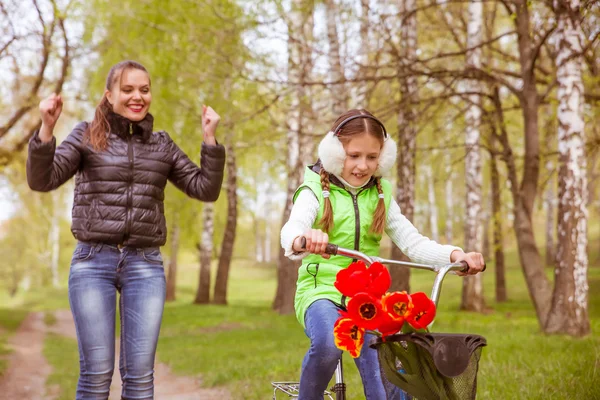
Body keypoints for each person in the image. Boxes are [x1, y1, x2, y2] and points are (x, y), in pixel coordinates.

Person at [26, 60, 225, 400]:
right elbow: (42, 180)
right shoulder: (87, 135)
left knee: (140, 379)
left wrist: (210, 140)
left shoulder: (161, 144)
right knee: (96, 374)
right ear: (109, 95)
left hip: (144, 265)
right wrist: (46, 129)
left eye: (144, 90)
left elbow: (204, 188)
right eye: (128, 89)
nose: (138, 97)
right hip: (92, 262)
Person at [280, 109, 485, 400]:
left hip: (367, 296)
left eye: (372, 157)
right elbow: (292, 227)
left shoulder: (380, 194)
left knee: (382, 360)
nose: (363, 166)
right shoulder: (313, 189)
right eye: (354, 155)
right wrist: (304, 237)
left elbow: (412, 243)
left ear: (383, 158)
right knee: (327, 343)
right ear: (335, 153)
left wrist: (453, 255)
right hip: (320, 291)